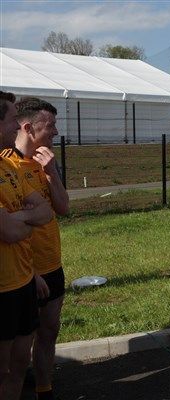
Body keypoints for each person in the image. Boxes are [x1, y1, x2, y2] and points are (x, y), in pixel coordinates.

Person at [4, 97, 69, 400]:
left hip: (51, 263)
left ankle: (45, 389)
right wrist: (30, 271)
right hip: (23, 273)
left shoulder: (48, 163)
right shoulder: (7, 164)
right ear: (28, 128)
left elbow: (62, 208)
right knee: (18, 349)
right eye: (50, 125)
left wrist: (51, 171)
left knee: (49, 331)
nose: (55, 131)